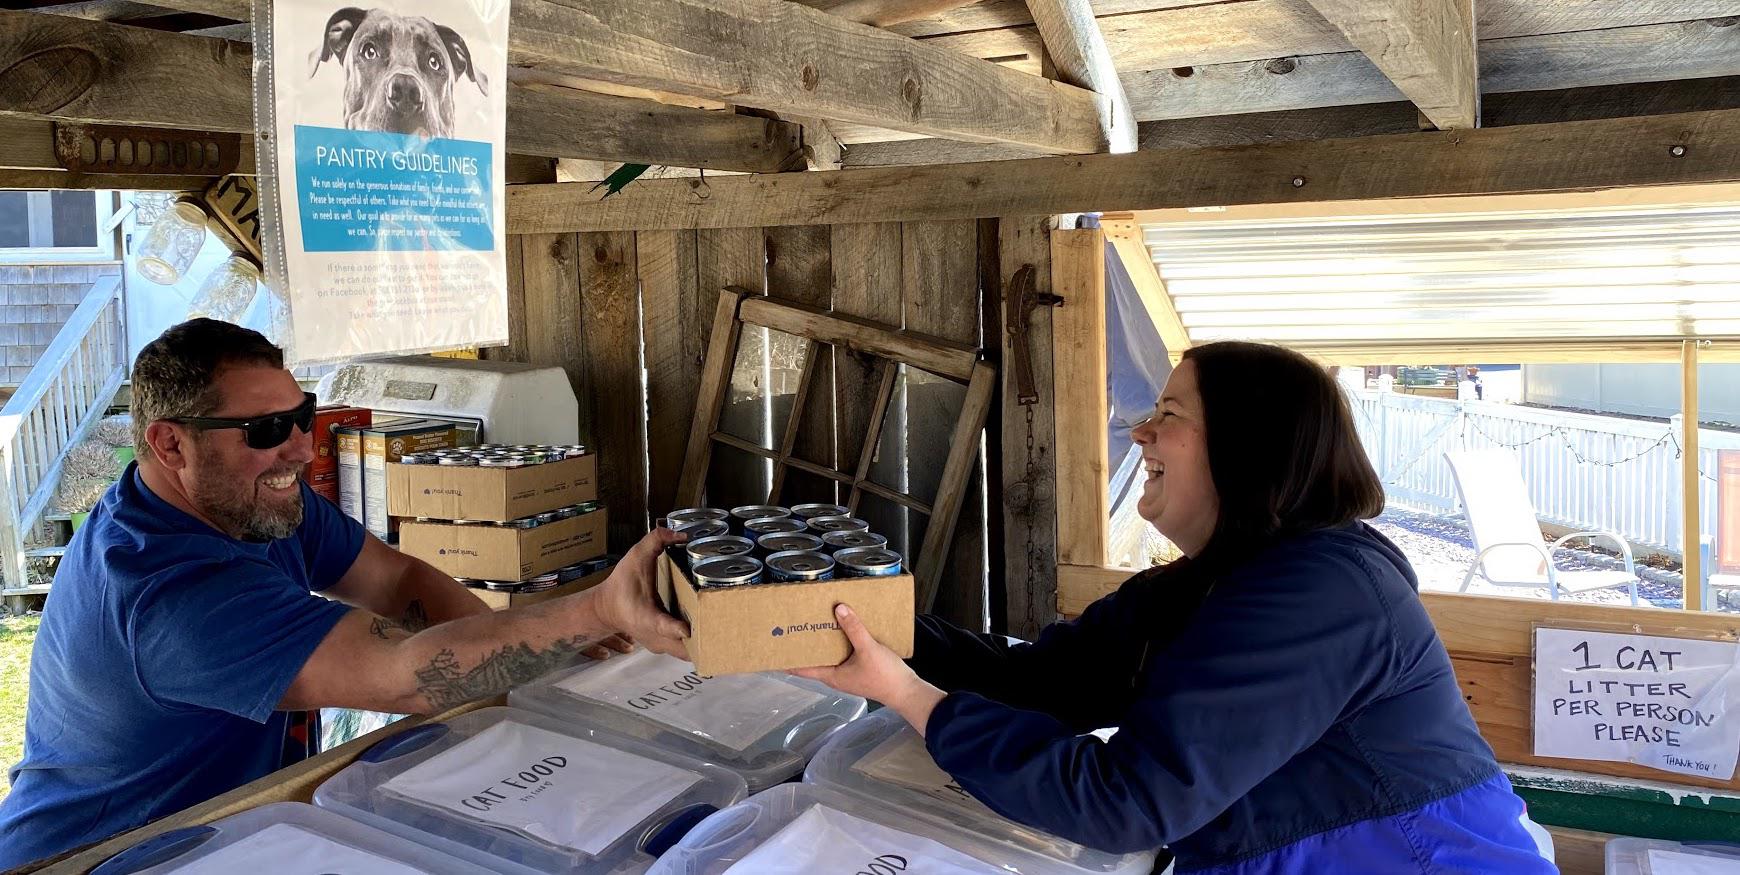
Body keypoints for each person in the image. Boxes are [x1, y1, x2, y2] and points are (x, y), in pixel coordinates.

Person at [797, 341, 1553, 873]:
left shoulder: (1325, 593)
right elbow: (1039, 680)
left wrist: (909, 695)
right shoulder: (1212, 582)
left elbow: (1129, 799)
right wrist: (853, 624)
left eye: (1170, 413)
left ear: (1247, 444)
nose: (1140, 432)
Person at [0, 320, 689, 869]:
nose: (302, 449)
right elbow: (407, 676)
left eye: (301, 415)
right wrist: (592, 610)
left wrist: (529, 658)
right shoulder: (169, 593)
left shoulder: (250, 503)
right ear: (170, 444)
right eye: (267, 430)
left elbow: (399, 582)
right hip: (98, 856)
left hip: (222, 832)